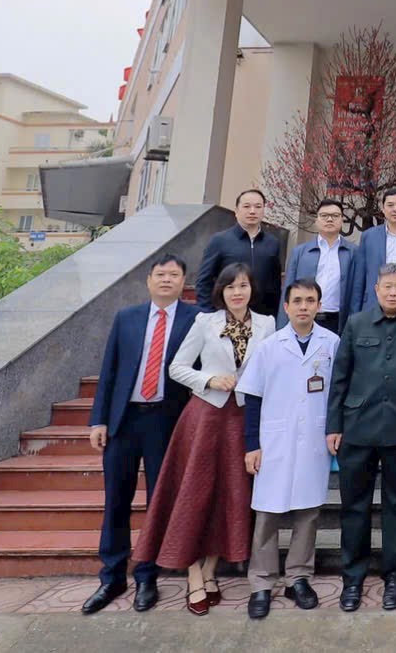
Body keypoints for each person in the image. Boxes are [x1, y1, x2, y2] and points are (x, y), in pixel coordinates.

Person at [134, 262, 276, 614]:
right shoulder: (205, 323)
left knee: (231, 495)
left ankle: (211, 570)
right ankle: (193, 574)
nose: (237, 292)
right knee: (194, 494)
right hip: (206, 417)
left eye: (243, 286)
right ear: (220, 292)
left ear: (252, 289)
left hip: (243, 419)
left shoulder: (268, 324)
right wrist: (209, 380)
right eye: (230, 287)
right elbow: (176, 367)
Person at [82, 254, 200, 614]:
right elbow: (110, 370)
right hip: (124, 420)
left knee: (157, 501)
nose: (166, 280)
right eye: (160, 274)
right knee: (116, 499)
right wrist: (99, 420)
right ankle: (112, 576)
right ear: (149, 280)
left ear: (183, 282)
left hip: (165, 420)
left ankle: (147, 576)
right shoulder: (127, 318)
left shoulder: (197, 319)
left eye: (174, 275)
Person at [326, 263, 396, 612]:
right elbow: (340, 378)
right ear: (376, 289)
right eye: (387, 286)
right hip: (358, 428)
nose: (393, 292)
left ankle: (393, 576)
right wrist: (333, 425)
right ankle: (352, 578)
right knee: (354, 506)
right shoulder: (356, 323)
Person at [236, 279, 341, 618]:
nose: (303, 307)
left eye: (310, 300)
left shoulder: (332, 343)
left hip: (313, 439)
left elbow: (338, 393)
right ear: (286, 307)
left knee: (308, 514)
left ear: (319, 306)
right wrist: (252, 445)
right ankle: (262, 582)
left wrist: (336, 429)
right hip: (274, 441)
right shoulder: (269, 346)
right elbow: (253, 397)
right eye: (297, 301)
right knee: (267, 513)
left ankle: (298, 577)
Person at [195, 189, 285, 317]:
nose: (252, 211)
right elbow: (204, 281)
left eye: (258, 206)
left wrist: (275, 317)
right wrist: (209, 313)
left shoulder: (272, 243)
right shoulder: (220, 240)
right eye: (247, 206)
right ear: (236, 211)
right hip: (226, 315)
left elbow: (275, 285)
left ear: (263, 210)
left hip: (262, 317)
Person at [283, 199, 357, 333]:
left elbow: (357, 292)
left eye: (335, 216)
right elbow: (288, 289)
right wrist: (283, 325)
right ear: (316, 220)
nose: (329, 219)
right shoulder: (300, 252)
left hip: (338, 320)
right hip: (304, 317)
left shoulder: (353, 252)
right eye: (324, 215)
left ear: (342, 220)